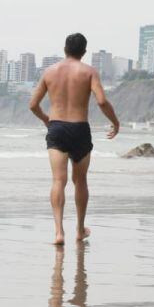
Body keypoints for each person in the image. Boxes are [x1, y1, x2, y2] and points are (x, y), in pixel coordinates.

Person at [28, 32, 119, 245]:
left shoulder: (49, 72)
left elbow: (33, 104)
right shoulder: (89, 72)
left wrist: (45, 119)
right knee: (80, 181)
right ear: (84, 52)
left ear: (64, 49)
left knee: (59, 180)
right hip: (80, 129)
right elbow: (102, 102)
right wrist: (116, 122)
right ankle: (79, 229)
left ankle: (59, 232)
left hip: (57, 127)